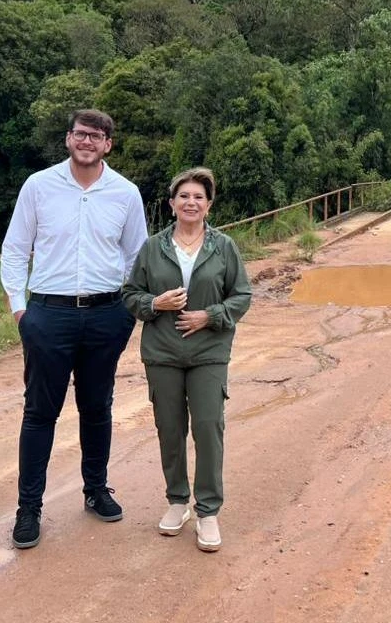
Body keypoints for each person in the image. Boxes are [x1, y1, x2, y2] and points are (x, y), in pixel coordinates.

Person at [0, 109, 148, 549]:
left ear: (108, 145)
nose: (87, 141)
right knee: (40, 412)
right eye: (80, 134)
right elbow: (14, 251)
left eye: (96, 136)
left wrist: (124, 310)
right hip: (48, 315)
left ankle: (96, 489)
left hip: (106, 315)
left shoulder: (125, 193)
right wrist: (20, 311)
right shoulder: (39, 187)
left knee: (97, 406)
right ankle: (29, 508)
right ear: (68, 139)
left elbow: (136, 256)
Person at [122, 167, 252, 553]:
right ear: (171, 204)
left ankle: (208, 511)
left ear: (208, 206)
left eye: (198, 197)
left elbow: (241, 295)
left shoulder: (224, 247)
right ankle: (177, 501)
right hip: (162, 352)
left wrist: (209, 315)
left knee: (209, 427)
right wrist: (154, 303)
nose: (190, 202)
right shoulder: (152, 247)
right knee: (170, 427)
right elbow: (130, 293)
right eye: (184, 197)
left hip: (209, 353)